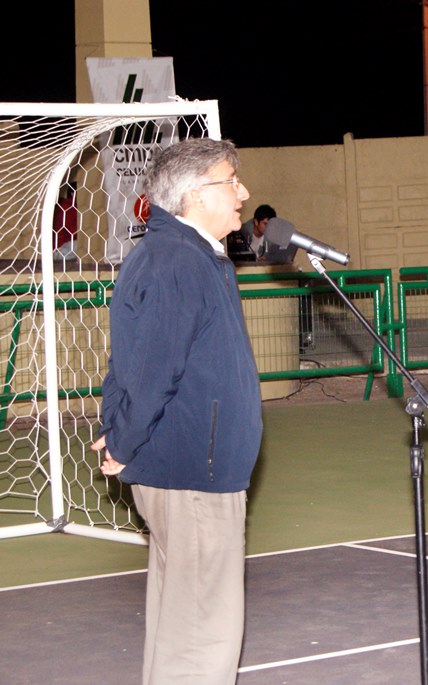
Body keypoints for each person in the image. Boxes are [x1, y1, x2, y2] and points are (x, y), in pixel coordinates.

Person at [92, 138, 262, 685]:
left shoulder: (186, 256)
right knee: (201, 632)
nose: (243, 193)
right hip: (193, 473)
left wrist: (118, 431)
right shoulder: (177, 261)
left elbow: (133, 359)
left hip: (191, 468)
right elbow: (150, 370)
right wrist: (122, 439)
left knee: (183, 620)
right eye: (231, 181)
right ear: (196, 195)